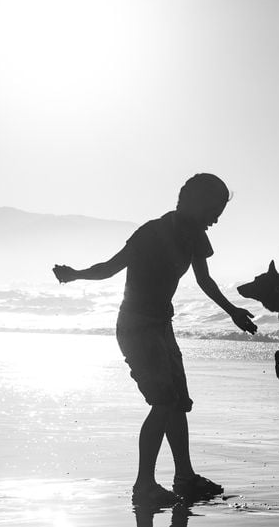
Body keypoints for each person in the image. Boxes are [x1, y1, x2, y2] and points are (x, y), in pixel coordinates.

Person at [53, 173, 258, 507]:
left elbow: (205, 280)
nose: (217, 219)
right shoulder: (152, 232)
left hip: (162, 326)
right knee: (163, 402)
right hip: (136, 327)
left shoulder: (194, 237)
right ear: (194, 201)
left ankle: (185, 478)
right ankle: (144, 485)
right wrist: (75, 274)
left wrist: (232, 311)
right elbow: (109, 268)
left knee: (176, 402)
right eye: (214, 209)